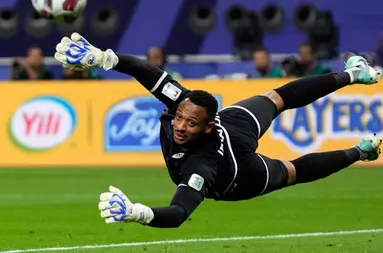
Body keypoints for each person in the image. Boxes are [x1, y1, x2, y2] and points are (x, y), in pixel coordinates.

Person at [54, 33, 381, 228]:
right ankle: (355, 91)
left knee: (292, 171)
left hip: (240, 172)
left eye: (190, 123)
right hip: (230, 146)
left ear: (208, 125)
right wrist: (101, 58)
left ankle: (358, 131)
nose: (180, 126)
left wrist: (137, 213)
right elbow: (145, 70)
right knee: (275, 97)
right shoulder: (184, 102)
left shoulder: (202, 165)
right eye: (180, 117)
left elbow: (179, 212)